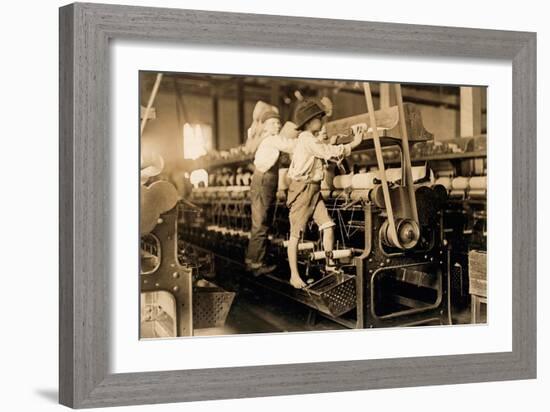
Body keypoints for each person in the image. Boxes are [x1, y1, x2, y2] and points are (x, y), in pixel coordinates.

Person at [286, 100, 362, 288]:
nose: (321, 120)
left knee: (328, 225)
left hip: (313, 189)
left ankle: (329, 264)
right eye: (319, 117)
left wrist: (332, 142)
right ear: (310, 122)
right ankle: (294, 275)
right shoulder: (306, 139)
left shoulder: (309, 138)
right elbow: (327, 152)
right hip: (303, 190)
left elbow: (322, 148)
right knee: (295, 235)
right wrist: (354, 144)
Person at [245, 110, 298, 276]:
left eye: (278, 123)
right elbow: (292, 145)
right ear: (267, 126)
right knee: (260, 223)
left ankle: (251, 260)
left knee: (260, 222)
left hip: (264, 180)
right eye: (274, 123)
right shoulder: (272, 139)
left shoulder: (267, 140)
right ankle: (256, 265)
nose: (278, 125)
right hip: (264, 181)